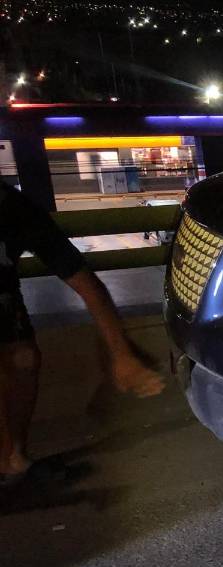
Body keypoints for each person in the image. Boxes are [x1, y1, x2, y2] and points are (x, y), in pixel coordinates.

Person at [0, 182, 164, 486]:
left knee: (24, 359)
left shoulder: (14, 208)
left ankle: (14, 461)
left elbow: (86, 283)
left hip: (5, 300)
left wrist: (122, 356)